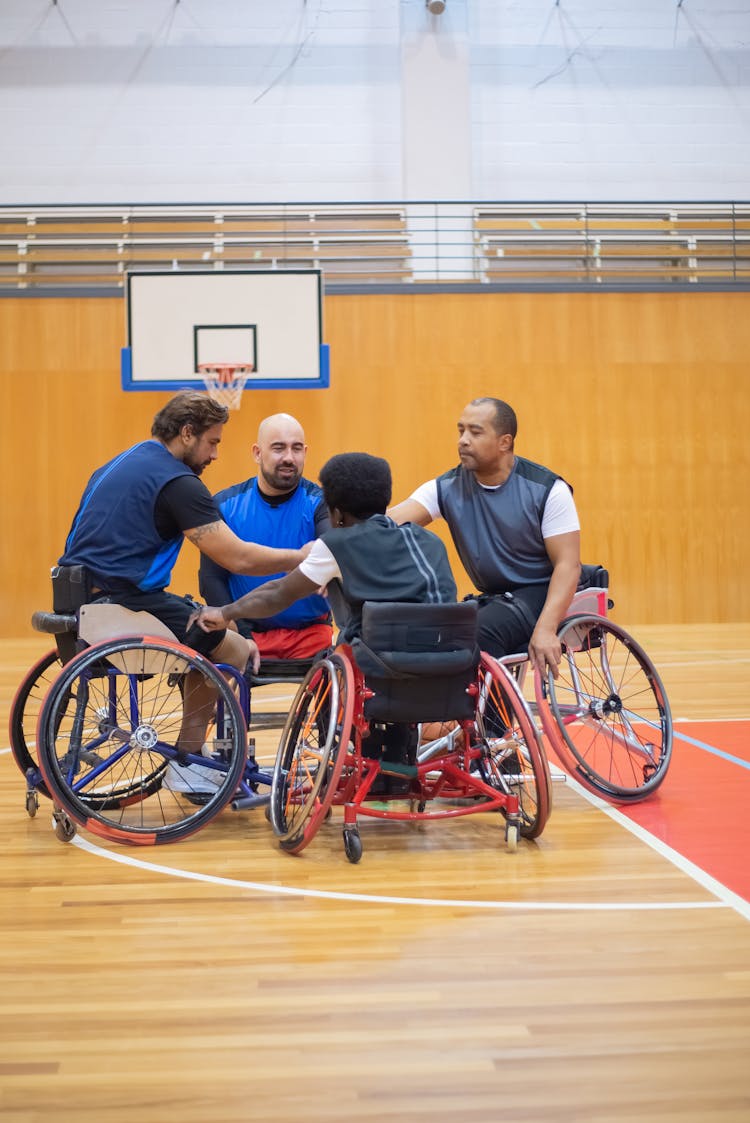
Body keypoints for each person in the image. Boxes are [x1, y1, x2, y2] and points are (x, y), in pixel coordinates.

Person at [57, 391, 309, 781]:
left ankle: (193, 751)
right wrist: (299, 556)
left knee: (198, 624)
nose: (214, 455)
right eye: (213, 442)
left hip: (76, 599)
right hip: (122, 603)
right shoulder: (178, 483)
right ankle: (188, 761)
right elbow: (238, 558)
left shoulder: (118, 463)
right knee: (232, 644)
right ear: (188, 433)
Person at [192, 451, 458, 795]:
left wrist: (226, 613)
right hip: (447, 670)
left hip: (381, 670)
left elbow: (277, 594)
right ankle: (397, 753)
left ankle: (369, 756)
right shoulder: (429, 541)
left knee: (347, 654)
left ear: (333, 510)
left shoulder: (336, 544)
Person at [388, 397, 580, 678]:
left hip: (540, 592)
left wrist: (546, 628)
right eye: (461, 430)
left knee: (479, 628)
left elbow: (568, 565)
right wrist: (331, 548)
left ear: (504, 442)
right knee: (426, 629)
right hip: (495, 598)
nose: (463, 440)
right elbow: (387, 523)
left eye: (475, 432)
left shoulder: (547, 489)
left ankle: (490, 722)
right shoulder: (447, 486)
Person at [198, 412, 332, 663]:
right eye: (279, 448)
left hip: (312, 637)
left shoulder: (322, 503)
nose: (289, 458)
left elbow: (330, 549)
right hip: (245, 634)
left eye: (297, 448)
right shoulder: (225, 505)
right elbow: (211, 579)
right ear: (257, 453)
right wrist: (242, 635)